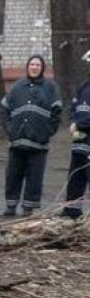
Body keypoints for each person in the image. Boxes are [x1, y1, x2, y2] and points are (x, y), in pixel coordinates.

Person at [0, 54, 62, 216]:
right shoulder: (17, 86)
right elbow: (4, 109)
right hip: (17, 141)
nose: (34, 67)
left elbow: (57, 113)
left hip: (38, 143)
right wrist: (10, 130)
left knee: (34, 177)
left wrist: (47, 132)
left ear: (42, 68)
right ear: (28, 67)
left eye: (38, 65)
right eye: (32, 64)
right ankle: (11, 205)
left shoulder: (50, 88)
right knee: (13, 175)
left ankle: (28, 207)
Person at [59, 49, 90, 219]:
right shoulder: (84, 86)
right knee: (75, 177)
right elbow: (75, 107)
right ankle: (71, 211)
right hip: (80, 144)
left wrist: (79, 124)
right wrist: (73, 121)